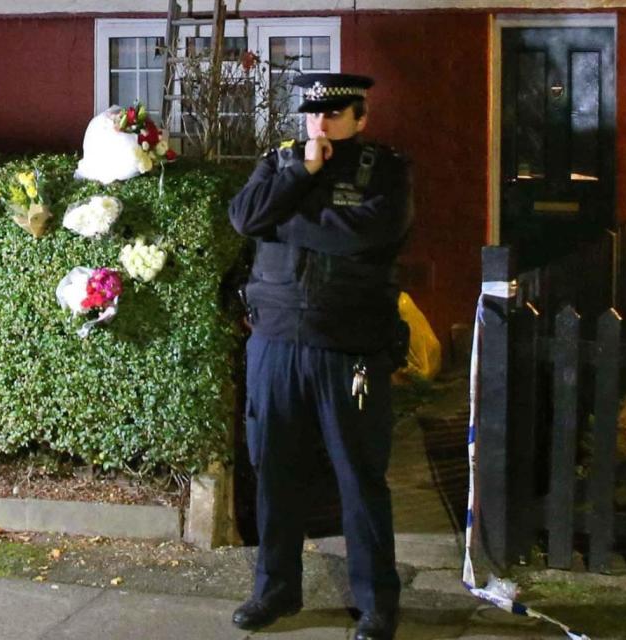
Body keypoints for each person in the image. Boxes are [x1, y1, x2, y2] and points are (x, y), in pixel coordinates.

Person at [228, 73, 413, 640]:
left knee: (359, 477)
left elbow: (369, 235)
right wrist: (301, 173)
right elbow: (242, 217)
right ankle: (276, 588)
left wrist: (283, 222)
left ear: (361, 117)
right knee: (275, 473)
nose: (319, 125)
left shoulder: (385, 169)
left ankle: (376, 602)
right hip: (276, 341)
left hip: (348, 344)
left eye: (333, 115)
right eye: (311, 114)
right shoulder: (281, 160)